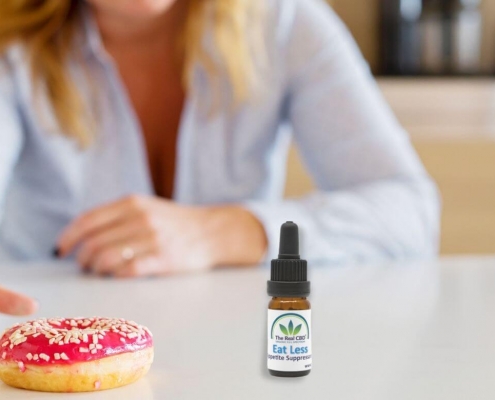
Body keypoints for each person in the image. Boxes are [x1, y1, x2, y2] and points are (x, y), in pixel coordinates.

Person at [0, 0, 440, 277]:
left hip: (234, 349)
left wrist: (224, 232)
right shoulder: (10, 41)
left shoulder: (285, 21)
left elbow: (410, 213)